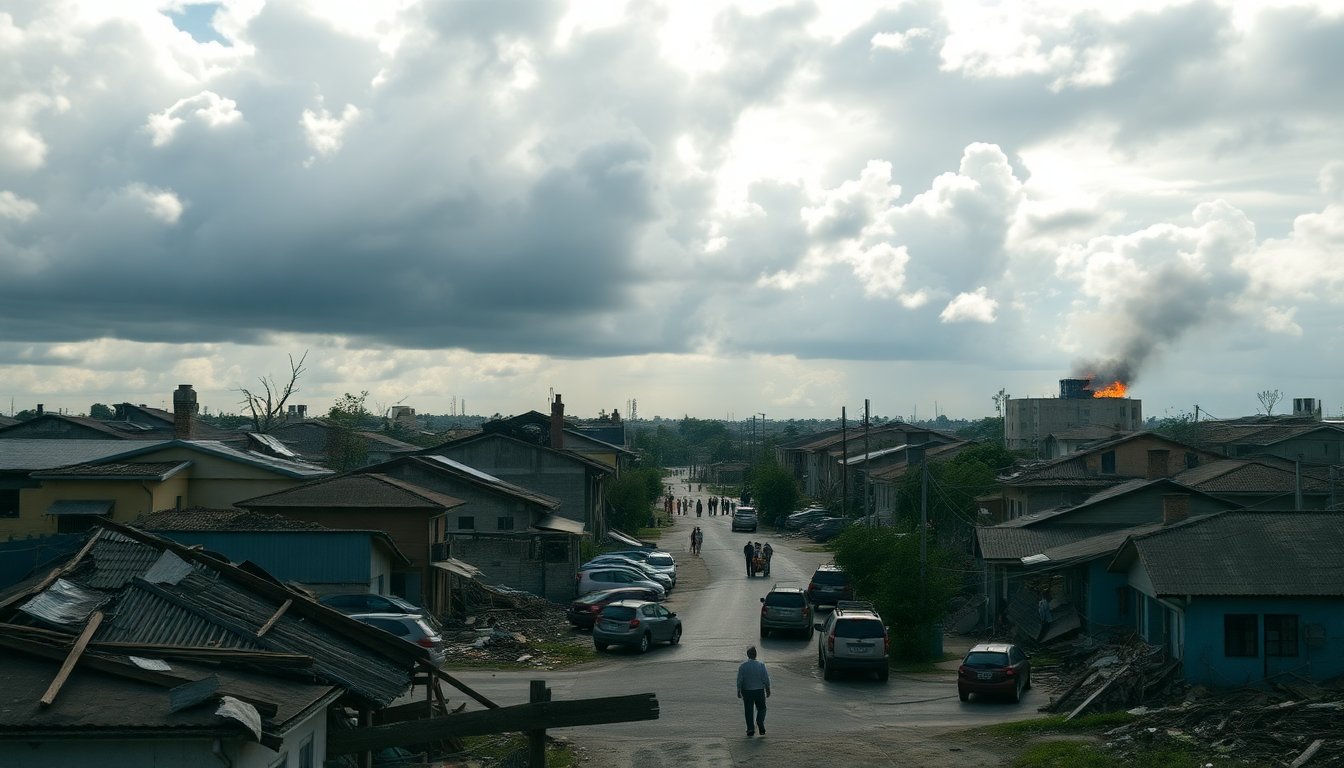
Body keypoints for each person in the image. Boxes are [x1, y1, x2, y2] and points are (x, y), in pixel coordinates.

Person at [736, 646, 770, 737]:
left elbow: (740, 679)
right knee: (762, 708)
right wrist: (768, 688)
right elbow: (765, 678)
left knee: (748, 710)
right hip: (759, 690)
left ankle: (750, 729)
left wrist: (738, 690)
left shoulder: (743, 666)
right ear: (755, 654)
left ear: (748, 655)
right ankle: (760, 721)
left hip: (747, 691)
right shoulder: (761, 665)